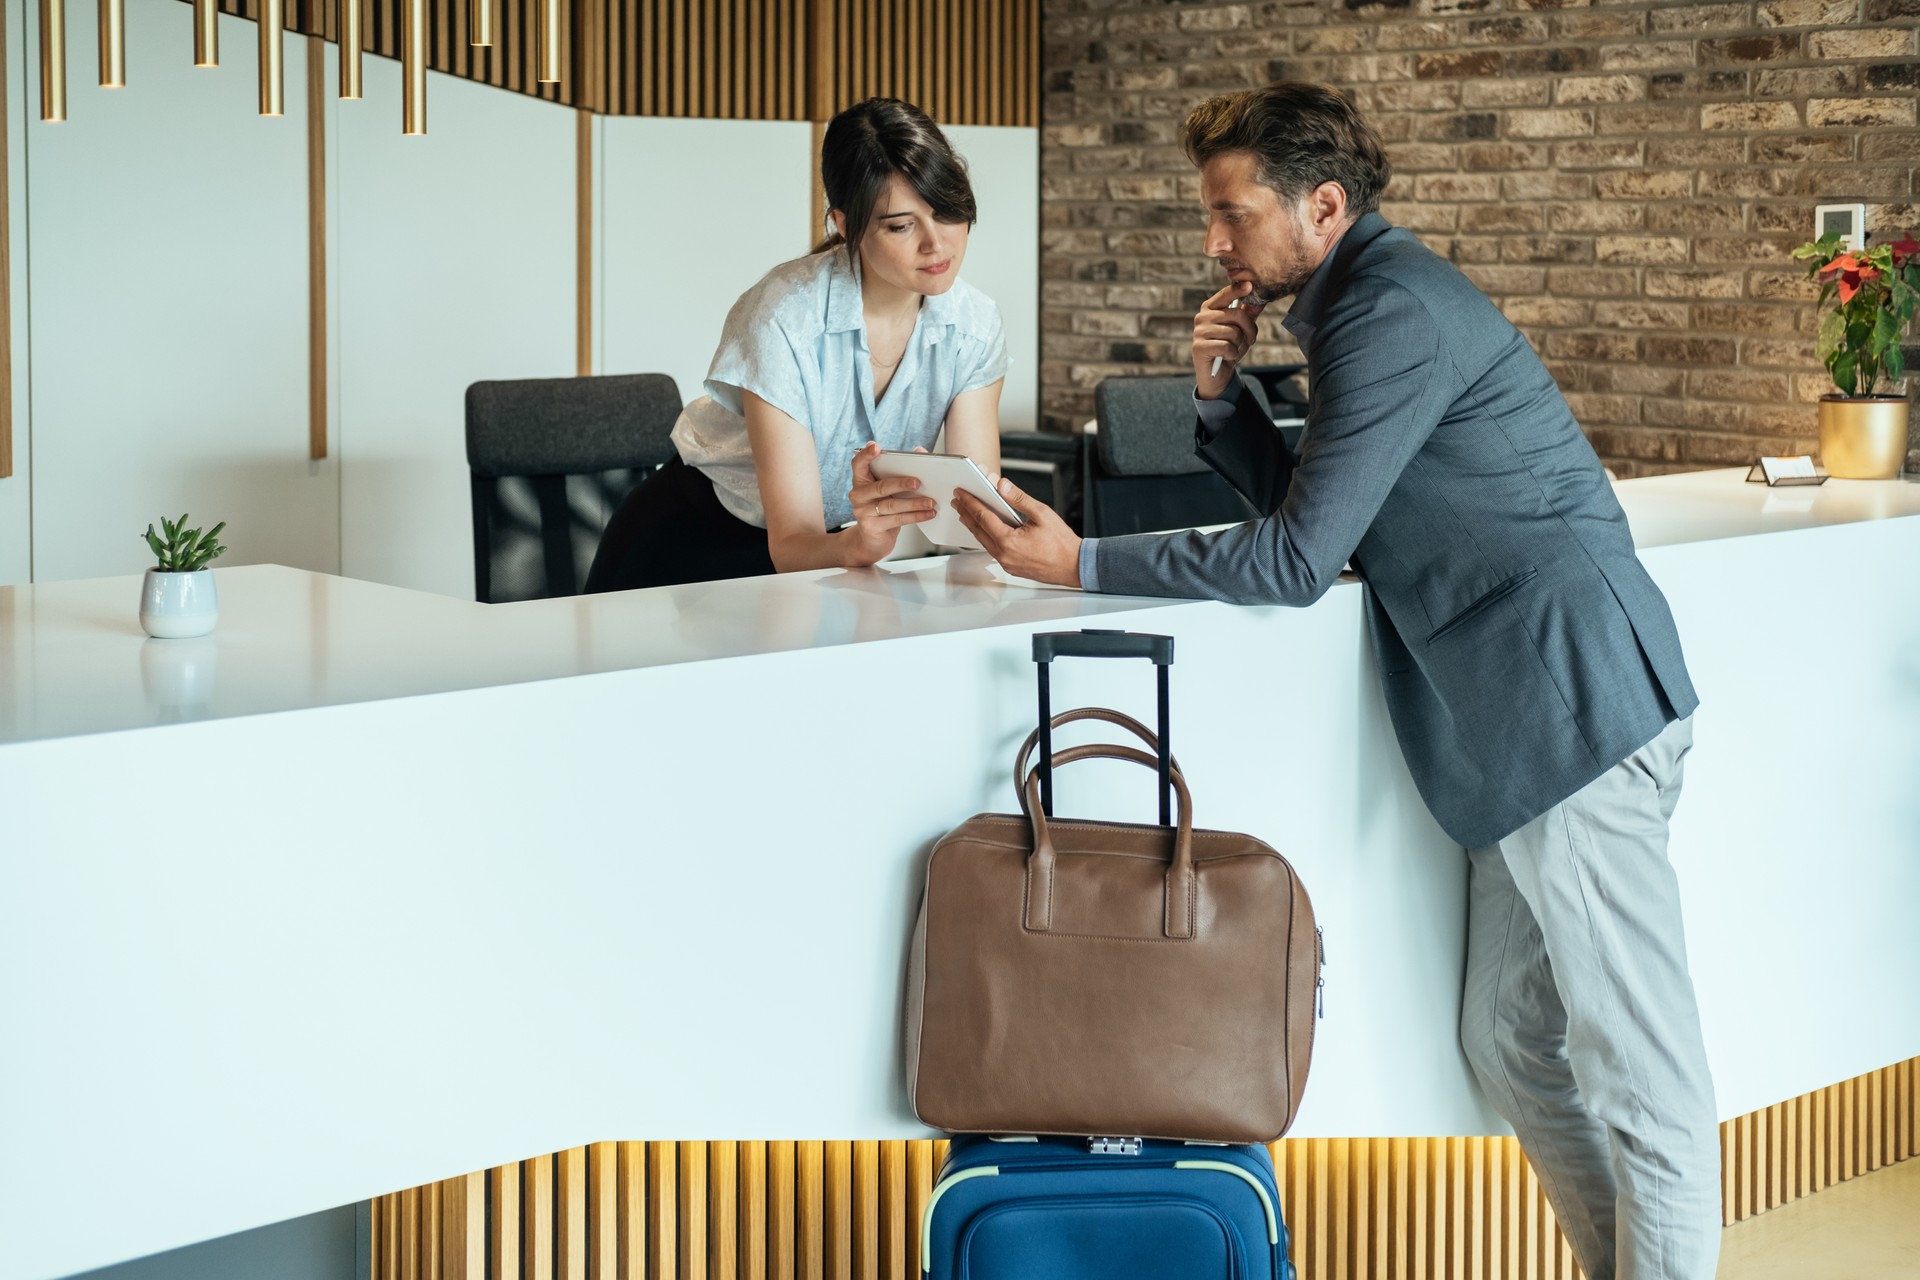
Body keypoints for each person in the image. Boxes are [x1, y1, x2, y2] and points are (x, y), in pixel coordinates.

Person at [956, 83, 1719, 1280]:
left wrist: (1082, 560)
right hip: (1520, 738)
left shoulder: (1391, 311)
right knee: (1510, 1043)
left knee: (1644, 1078)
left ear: (1322, 205)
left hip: (1569, 713)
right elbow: (1342, 525)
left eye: (1231, 211)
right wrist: (1222, 401)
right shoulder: (1361, 303)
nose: (1215, 241)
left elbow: (1299, 563)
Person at [585, 97, 1008, 592]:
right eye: (900, 225)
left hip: (817, 561)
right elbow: (792, 544)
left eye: (948, 211)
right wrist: (861, 545)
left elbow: (975, 522)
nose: (937, 243)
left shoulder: (974, 326)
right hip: (686, 547)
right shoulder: (785, 315)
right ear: (845, 224)